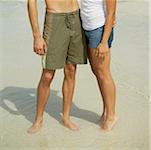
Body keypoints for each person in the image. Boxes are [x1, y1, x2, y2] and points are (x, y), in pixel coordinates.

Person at [27, 0, 87, 134]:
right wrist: (37, 36)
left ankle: (66, 118)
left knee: (71, 70)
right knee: (48, 75)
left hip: (76, 17)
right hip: (54, 20)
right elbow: (31, 3)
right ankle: (38, 119)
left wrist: (108, 15)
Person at [80, 0, 118, 131]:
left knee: (103, 73)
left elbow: (111, 10)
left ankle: (112, 115)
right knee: (97, 73)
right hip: (87, 28)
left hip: (100, 29)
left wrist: (104, 42)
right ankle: (106, 110)